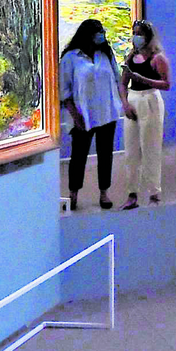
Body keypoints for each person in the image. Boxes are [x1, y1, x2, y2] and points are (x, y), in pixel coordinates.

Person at [60, 19, 127, 211]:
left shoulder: (105, 54)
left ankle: (104, 193)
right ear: (87, 34)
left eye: (102, 31)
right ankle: (73, 193)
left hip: (107, 112)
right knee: (78, 155)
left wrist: (124, 103)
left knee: (105, 154)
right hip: (82, 115)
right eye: (98, 31)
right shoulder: (71, 58)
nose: (101, 35)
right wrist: (75, 115)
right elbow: (64, 90)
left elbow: (117, 79)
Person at [120, 19, 172, 209]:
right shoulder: (131, 57)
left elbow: (166, 84)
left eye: (140, 33)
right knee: (131, 151)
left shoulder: (158, 58)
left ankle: (154, 194)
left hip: (150, 99)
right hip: (133, 99)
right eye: (134, 33)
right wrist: (125, 103)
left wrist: (142, 79)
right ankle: (132, 194)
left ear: (148, 36)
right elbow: (123, 83)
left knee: (151, 148)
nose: (136, 37)